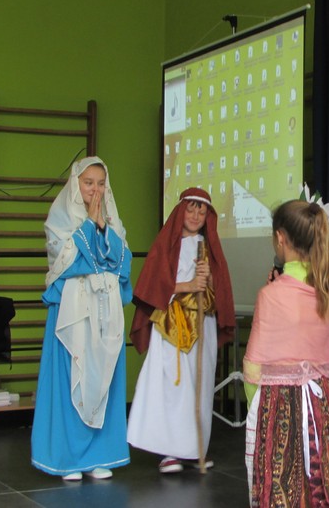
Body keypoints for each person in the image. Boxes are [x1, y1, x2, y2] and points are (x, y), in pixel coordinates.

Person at [244, 200, 329, 507]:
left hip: (277, 401)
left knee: (282, 479)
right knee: (327, 473)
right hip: (321, 399)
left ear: (280, 238)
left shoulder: (271, 295)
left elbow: (253, 365)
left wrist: (255, 408)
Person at [31, 157, 133, 481]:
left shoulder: (113, 222)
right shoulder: (59, 220)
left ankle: (99, 455)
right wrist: (90, 225)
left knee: (104, 380)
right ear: (76, 185)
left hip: (104, 314)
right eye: (89, 183)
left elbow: (121, 263)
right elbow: (70, 262)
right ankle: (69, 458)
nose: (95, 190)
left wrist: (102, 227)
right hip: (72, 316)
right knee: (70, 381)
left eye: (101, 184)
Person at [127, 188, 236, 473]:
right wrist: (188, 285)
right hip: (173, 325)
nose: (196, 215)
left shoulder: (209, 248)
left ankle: (193, 449)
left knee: (200, 386)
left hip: (203, 325)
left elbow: (219, 291)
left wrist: (209, 279)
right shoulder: (167, 245)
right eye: (191, 208)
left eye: (202, 210)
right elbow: (151, 287)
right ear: (180, 211)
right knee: (175, 386)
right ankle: (170, 451)